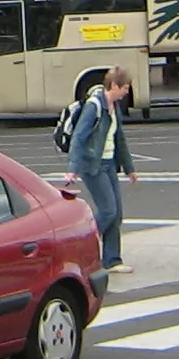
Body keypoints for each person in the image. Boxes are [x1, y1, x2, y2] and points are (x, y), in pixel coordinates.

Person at [65, 66, 139, 275]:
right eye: (125, 87)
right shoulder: (94, 106)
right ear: (114, 85)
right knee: (108, 211)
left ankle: (112, 260)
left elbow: (119, 139)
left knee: (116, 214)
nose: (127, 92)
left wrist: (129, 168)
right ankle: (79, 248)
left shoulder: (114, 107)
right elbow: (79, 137)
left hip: (108, 164)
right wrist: (73, 168)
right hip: (93, 166)